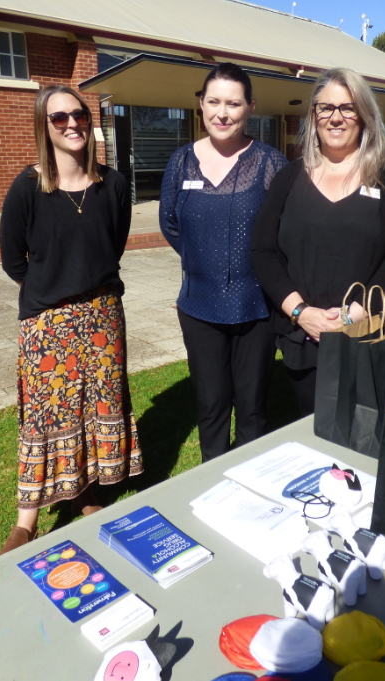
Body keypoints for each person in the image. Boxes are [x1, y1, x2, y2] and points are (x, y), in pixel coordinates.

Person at [0, 85, 143, 559]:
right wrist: (49, 290)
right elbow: (11, 259)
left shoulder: (113, 185)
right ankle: (26, 522)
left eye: (78, 114)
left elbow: (111, 245)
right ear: (45, 126)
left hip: (102, 315)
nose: (72, 124)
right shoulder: (28, 186)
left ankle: (89, 492)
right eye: (59, 118)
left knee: (99, 403)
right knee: (45, 413)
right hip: (47, 321)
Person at [251, 67, 385, 416]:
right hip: (305, 337)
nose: (336, 118)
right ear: (313, 115)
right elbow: (263, 251)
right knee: (315, 442)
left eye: (347, 108)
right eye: (325, 108)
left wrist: (354, 313)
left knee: (366, 445)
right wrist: (301, 313)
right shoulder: (289, 177)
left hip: (370, 336)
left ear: (363, 115)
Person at [159, 63, 288, 462]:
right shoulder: (181, 162)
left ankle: (251, 484)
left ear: (251, 107)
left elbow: (283, 234)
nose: (222, 112)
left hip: (257, 309)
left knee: (251, 409)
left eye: (233, 103)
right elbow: (170, 224)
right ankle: (213, 480)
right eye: (213, 101)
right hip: (199, 307)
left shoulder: (270, 164)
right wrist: (207, 262)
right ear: (200, 104)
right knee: (211, 407)